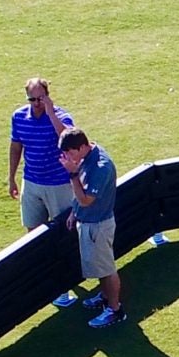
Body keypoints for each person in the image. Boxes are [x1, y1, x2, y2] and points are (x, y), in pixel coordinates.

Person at [9, 80, 81, 306]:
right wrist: (11, 177)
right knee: (33, 235)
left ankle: (66, 283)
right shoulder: (19, 117)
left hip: (59, 185)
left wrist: (50, 112)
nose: (37, 103)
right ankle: (45, 281)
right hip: (32, 182)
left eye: (41, 98)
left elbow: (68, 138)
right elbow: (16, 146)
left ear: (48, 96)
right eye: (32, 99)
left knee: (64, 235)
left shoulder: (61, 116)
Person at [57, 127, 123, 328]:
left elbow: (86, 199)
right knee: (99, 267)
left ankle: (115, 309)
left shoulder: (102, 166)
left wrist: (72, 174)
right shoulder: (86, 157)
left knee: (106, 269)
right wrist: (74, 212)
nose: (67, 157)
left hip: (98, 226)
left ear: (83, 146)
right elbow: (81, 198)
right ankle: (104, 296)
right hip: (88, 223)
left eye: (70, 152)